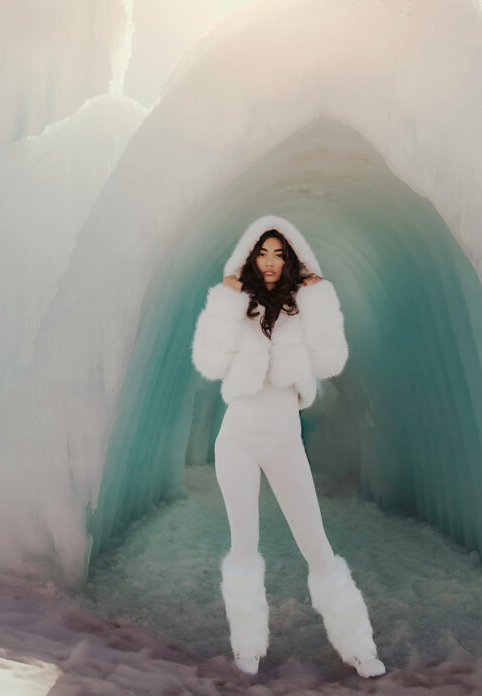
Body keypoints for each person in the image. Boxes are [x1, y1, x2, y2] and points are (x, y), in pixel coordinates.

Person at [191, 214, 385, 678]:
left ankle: (359, 648)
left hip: (283, 441)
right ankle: (248, 647)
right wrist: (225, 301)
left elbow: (332, 360)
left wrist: (319, 299)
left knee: (316, 545)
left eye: (280, 253)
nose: (272, 261)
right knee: (244, 545)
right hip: (236, 439)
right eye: (263, 252)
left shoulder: (302, 307)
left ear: (292, 257)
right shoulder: (238, 307)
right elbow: (209, 363)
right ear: (250, 257)